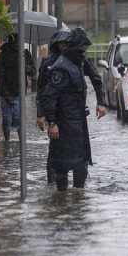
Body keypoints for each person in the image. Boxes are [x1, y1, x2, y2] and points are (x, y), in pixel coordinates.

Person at [36, 29, 107, 184]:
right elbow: (45, 93)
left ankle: (77, 195)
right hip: (62, 118)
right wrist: (48, 119)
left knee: (80, 159)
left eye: (65, 44)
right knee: (59, 159)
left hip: (78, 118)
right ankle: (57, 190)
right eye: (60, 44)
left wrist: (101, 102)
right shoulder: (56, 65)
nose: (63, 47)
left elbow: (95, 78)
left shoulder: (80, 61)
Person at [0, 33, 35, 142]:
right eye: (16, 42)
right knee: (7, 119)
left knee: (19, 119)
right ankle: (7, 140)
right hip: (6, 93)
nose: (18, 44)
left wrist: (28, 68)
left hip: (20, 92)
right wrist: (5, 93)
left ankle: (21, 141)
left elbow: (33, 72)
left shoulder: (25, 54)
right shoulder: (3, 55)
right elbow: (0, 75)